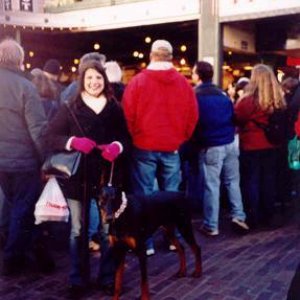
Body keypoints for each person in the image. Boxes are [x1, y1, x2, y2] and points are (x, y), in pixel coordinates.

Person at [47, 59, 130, 298]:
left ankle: (106, 277)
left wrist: (117, 146)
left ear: (105, 80)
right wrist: (72, 142)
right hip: (77, 178)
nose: (94, 82)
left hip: (107, 177)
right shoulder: (70, 106)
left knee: (106, 231)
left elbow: (126, 138)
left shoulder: (114, 107)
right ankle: (77, 279)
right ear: (82, 80)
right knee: (77, 231)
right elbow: (50, 135)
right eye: (89, 77)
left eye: (98, 77)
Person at [122, 39, 198, 255]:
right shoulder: (183, 84)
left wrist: (136, 135)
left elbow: (128, 114)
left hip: (143, 145)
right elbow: (193, 115)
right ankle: (173, 239)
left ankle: (146, 243)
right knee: (172, 195)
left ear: (151, 55)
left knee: (144, 195)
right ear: (171, 57)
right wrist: (181, 137)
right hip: (172, 146)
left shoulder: (137, 82)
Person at [0, 38, 49, 275]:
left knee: (11, 204)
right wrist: (47, 160)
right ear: (20, 60)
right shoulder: (26, 87)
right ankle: (12, 257)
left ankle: (13, 247)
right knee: (22, 206)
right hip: (23, 160)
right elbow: (38, 129)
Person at [191, 61, 249, 236]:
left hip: (211, 145)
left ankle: (211, 224)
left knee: (212, 185)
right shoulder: (222, 94)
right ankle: (239, 215)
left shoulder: (196, 95)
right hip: (230, 142)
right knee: (232, 181)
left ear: (197, 75)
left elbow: (194, 121)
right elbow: (233, 117)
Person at [234, 64, 286, 228]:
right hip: (271, 144)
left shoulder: (248, 100)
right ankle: (268, 216)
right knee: (269, 180)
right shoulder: (277, 99)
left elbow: (237, 118)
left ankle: (253, 216)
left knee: (252, 181)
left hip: (251, 145)